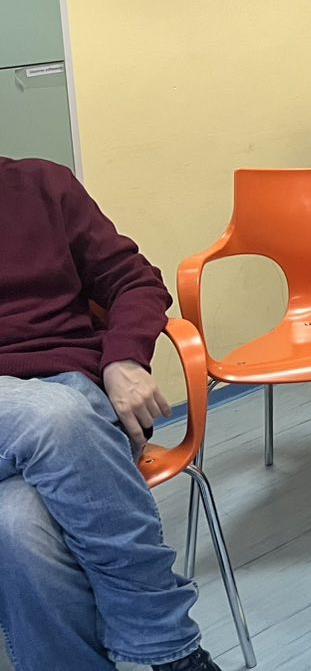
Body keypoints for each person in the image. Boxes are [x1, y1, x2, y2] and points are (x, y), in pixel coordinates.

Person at [0, 156, 222, 671]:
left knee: (19, 528)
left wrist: (124, 357)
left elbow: (134, 280)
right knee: (55, 414)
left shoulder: (41, 183)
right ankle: (171, 646)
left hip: (77, 401)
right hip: (55, 414)